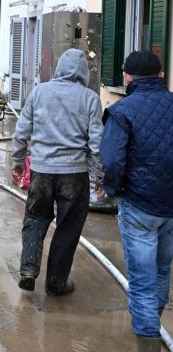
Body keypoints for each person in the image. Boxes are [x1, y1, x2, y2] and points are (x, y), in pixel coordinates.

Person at [11, 49, 102, 296]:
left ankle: (28, 269)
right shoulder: (90, 98)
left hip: (41, 171)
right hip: (74, 175)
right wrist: (100, 177)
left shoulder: (40, 92)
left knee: (35, 219)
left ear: (59, 67)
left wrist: (18, 161)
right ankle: (56, 283)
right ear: (83, 73)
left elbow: (21, 133)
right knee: (68, 227)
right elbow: (97, 144)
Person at [99, 51, 173, 352]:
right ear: (160, 76)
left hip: (140, 205)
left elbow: (112, 160)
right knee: (162, 270)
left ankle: (148, 343)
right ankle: (152, 326)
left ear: (127, 77)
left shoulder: (122, 111)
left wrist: (112, 189)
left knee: (142, 280)